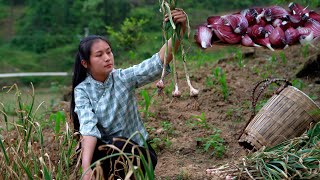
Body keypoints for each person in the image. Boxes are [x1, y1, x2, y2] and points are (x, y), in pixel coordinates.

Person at [70, 9, 187, 179]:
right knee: (89, 147)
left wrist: (180, 30)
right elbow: (88, 128)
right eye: (99, 55)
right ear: (85, 63)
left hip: (139, 155)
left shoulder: (123, 78)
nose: (107, 58)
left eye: (109, 52)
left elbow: (157, 62)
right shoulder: (82, 90)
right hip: (109, 156)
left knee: (116, 144)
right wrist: (86, 168)